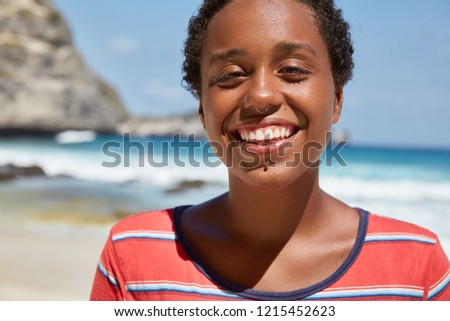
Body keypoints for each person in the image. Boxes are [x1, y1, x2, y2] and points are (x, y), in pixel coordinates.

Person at [90, 0, 450, 301]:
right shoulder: (134, 255)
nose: (261, 95)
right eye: (231, 75)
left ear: (337, 99)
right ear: (202, 109)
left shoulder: (417, 268)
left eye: (292, 69)